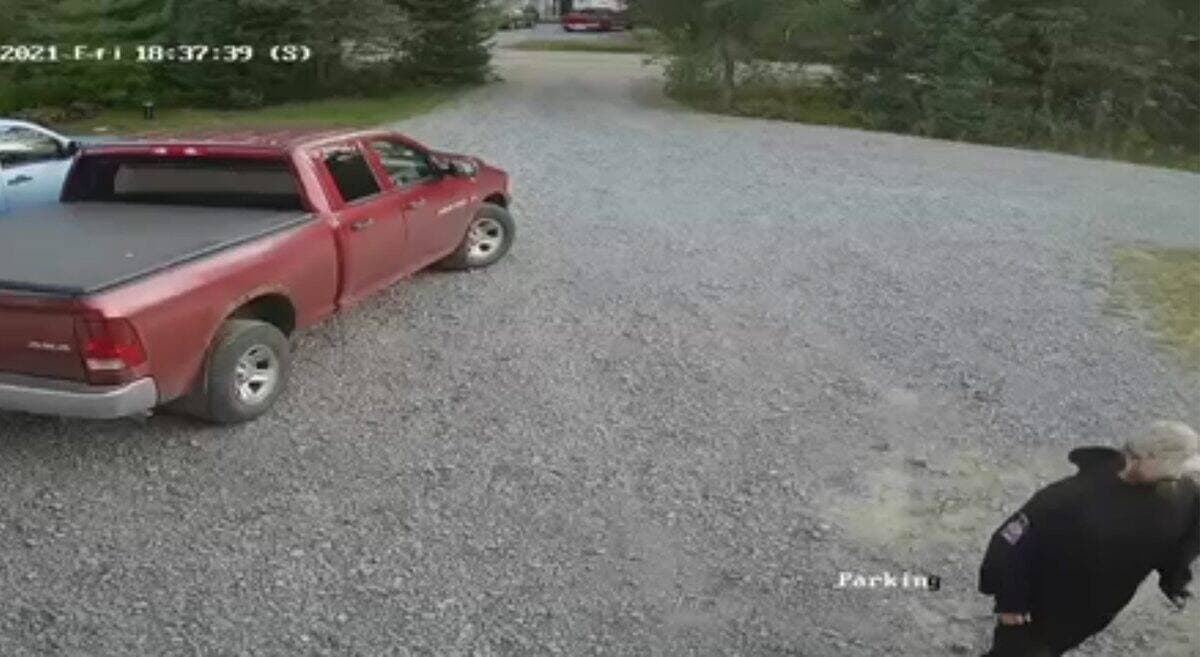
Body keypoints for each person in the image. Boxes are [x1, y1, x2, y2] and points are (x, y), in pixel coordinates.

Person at [978, 420, 1200, 656]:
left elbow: (1185, 535)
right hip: (1042, 608)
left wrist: (1175, 576)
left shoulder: (1183, 493)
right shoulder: (1067, 498)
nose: (1176, 476)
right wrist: (1010, 605)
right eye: (1171, 469)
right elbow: (1009, 545)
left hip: (1093, 613)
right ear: (1142, 457)